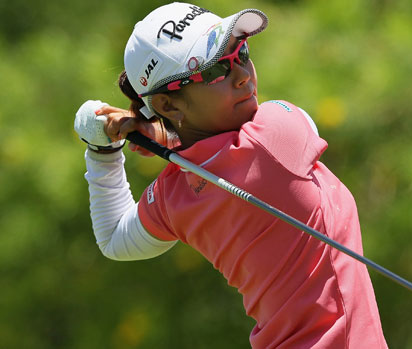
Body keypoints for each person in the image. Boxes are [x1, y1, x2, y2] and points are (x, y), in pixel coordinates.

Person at [74, 2, 388, 348]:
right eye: (214, 71)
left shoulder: (171, 195)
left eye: (241, 53)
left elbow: (114, 237)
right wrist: (162, 136)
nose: (242, 74)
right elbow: (295, 125)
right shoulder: (277, 132)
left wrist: (103, 151)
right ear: (167, 105)